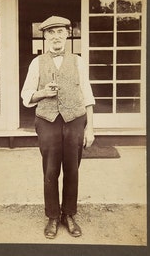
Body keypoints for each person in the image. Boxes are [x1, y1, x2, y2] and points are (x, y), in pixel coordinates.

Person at [21, 16, 95, 239]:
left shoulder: (78, 61)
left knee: (72, 169)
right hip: (47, 121)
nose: (56, 37)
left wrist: (90, 128)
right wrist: (43, 92)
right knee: (51, 170)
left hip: (75, 120)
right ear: (45, 36)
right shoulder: (37, 63)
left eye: (60, 32)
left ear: (67, 34)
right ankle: (53, 216)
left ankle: (69, 215)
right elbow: (26, 95)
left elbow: (87, 95)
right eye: (51, 33)